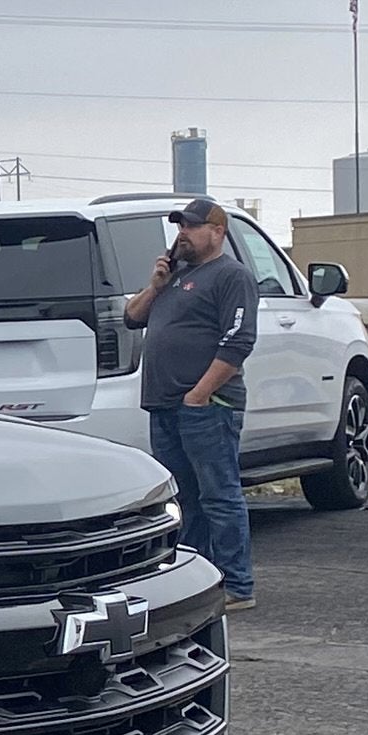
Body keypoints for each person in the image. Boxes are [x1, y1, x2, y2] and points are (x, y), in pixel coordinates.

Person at [125, 197, 258, 605]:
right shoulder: (174, 276)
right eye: (179, 226)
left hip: (207, 406)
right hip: (164, 405)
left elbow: (238, 342)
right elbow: (132, 317)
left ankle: (237, 585)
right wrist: (156, 285)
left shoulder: (230, 276)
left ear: (217, 232)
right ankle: (196, 580)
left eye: (191, 226)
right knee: (183, 500)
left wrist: (200, 394)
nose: (182, 233)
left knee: (219, 495)